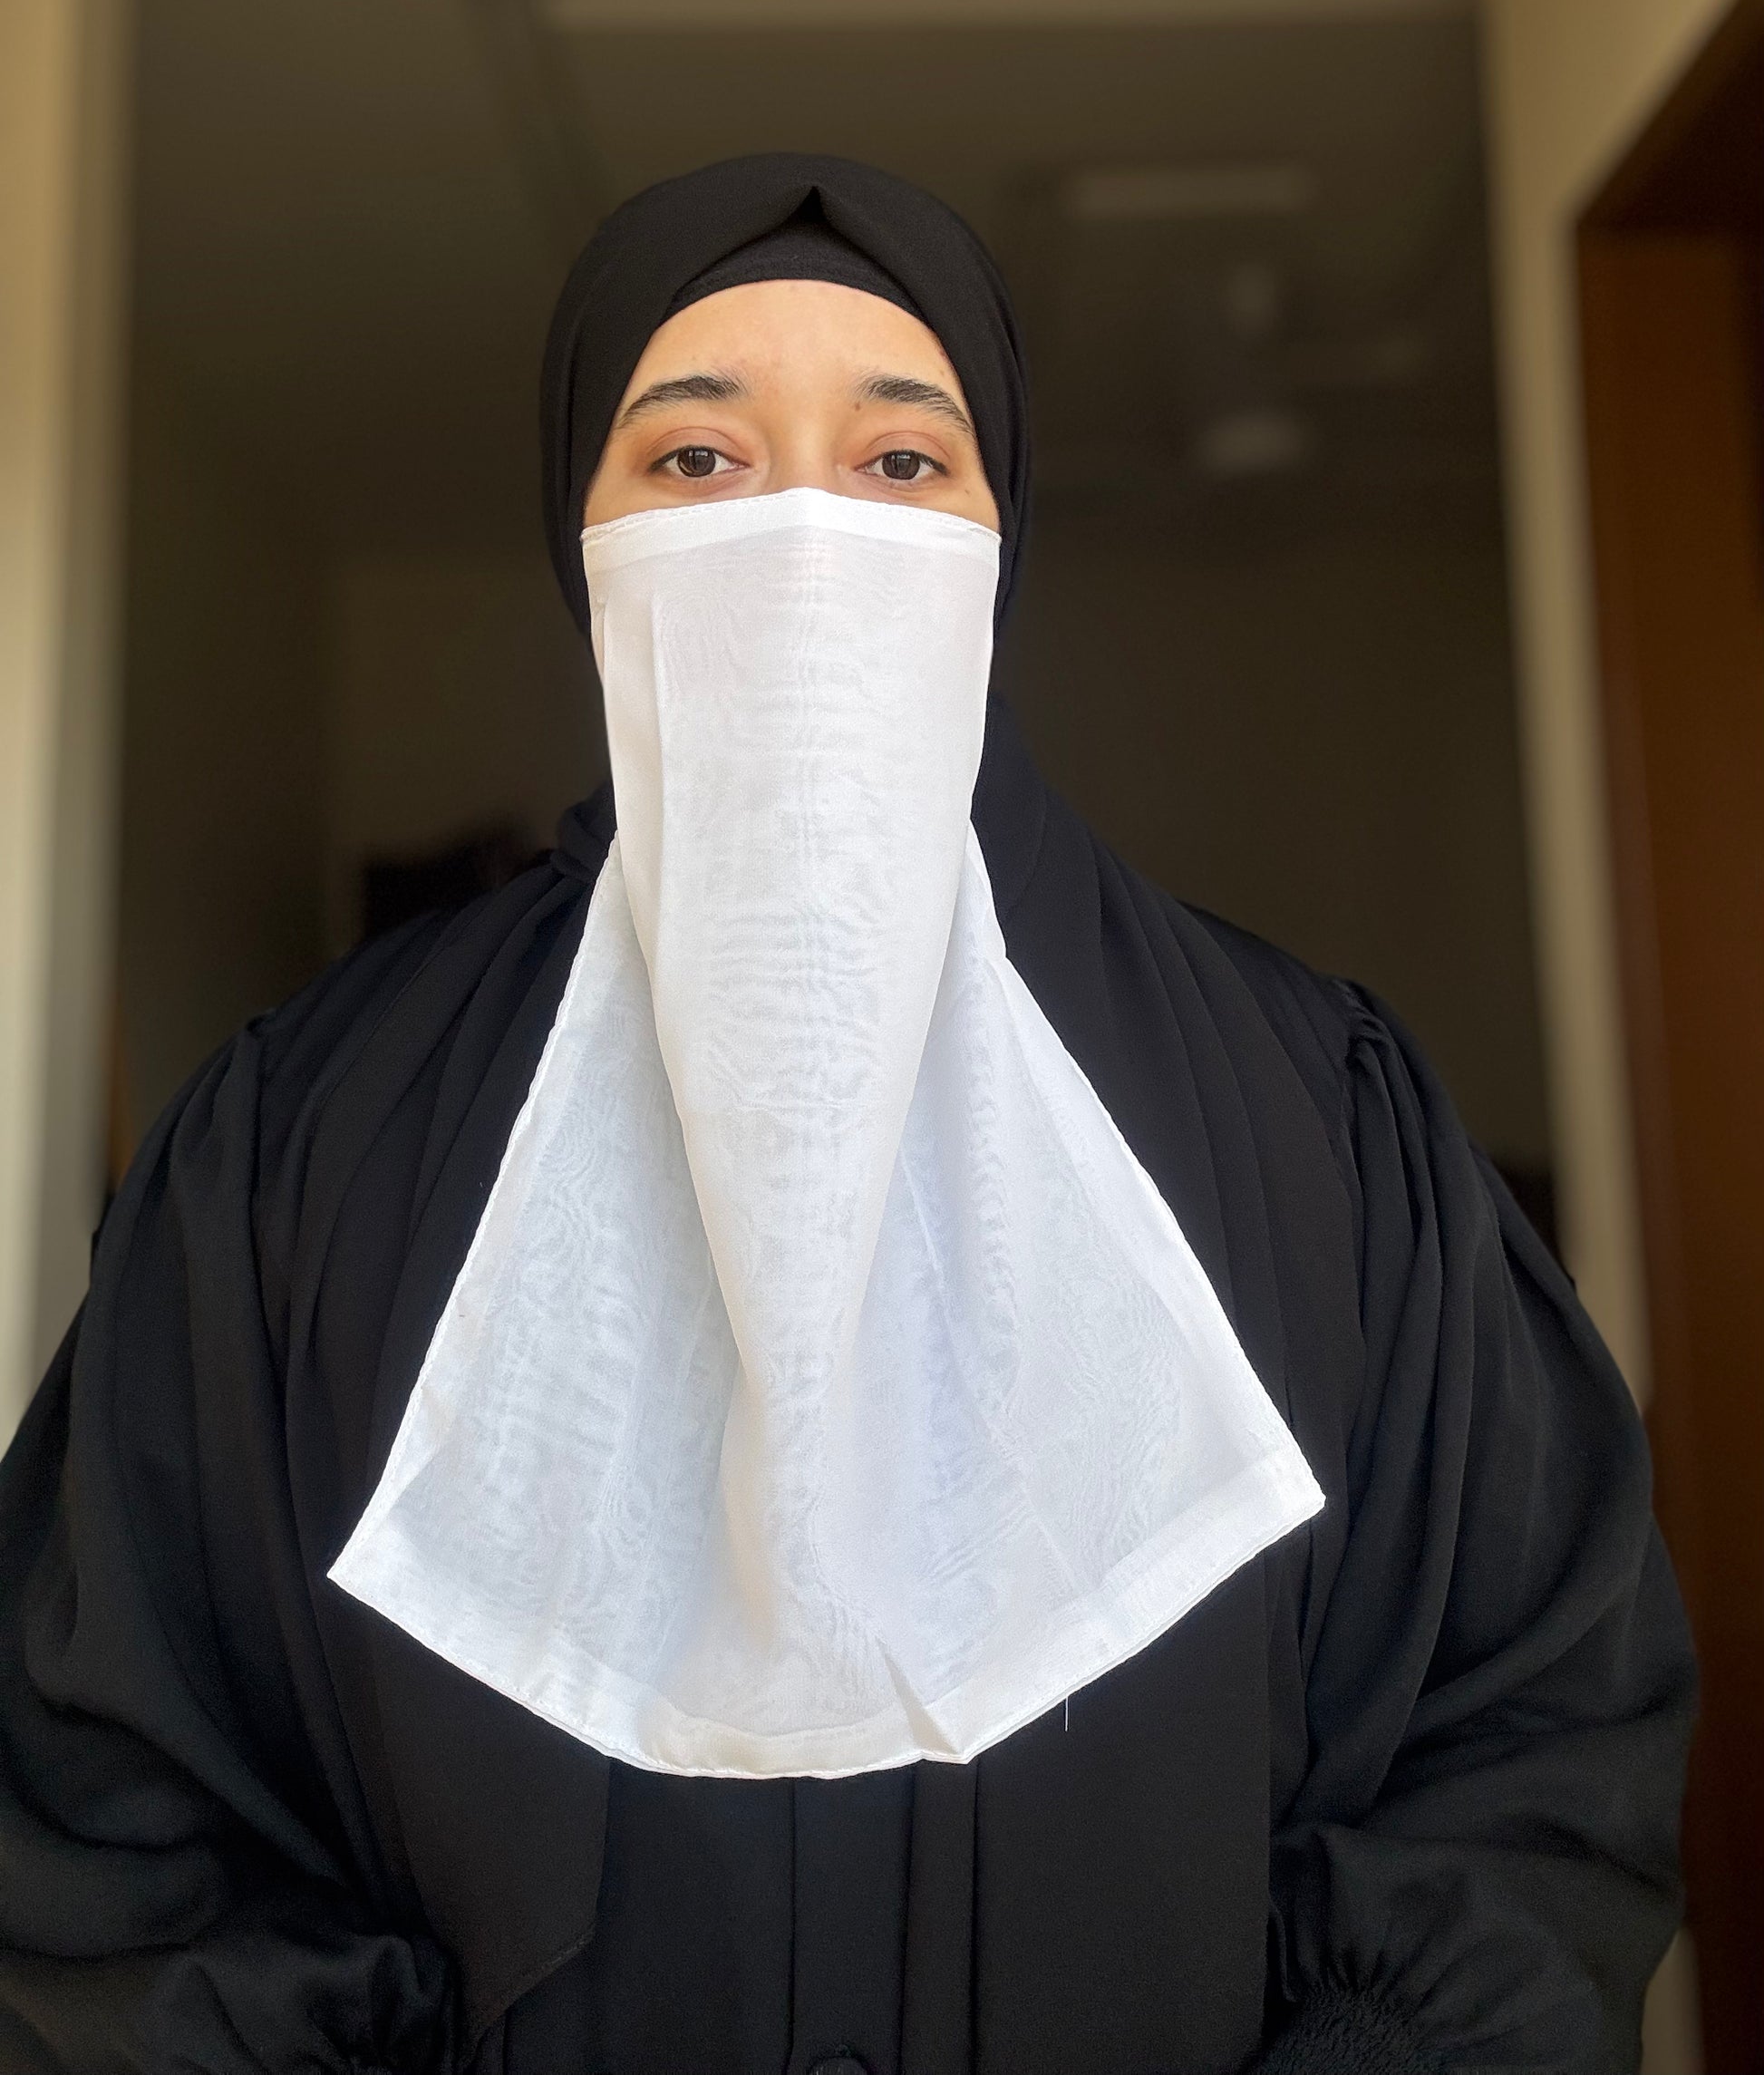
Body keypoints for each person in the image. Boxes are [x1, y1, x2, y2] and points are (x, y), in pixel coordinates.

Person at [0, 154, 1692, 2075]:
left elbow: (1530, 1752)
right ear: (579, 543)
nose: (803, 535)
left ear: (999, 540)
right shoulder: (298, 1144)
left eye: (900, 462)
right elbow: (109, 1812)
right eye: (695, 460)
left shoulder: (1321, 1116)